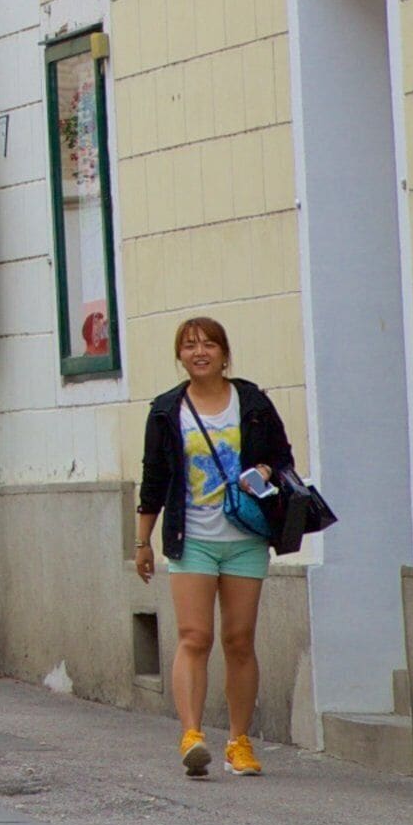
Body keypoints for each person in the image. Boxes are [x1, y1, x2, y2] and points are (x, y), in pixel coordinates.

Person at [135, 315, 298, 779]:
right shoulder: (167, 410)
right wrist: (142, 541)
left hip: (245, 537)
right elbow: (154, 478)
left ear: (225, 354)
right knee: (195, 637)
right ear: (180, 356)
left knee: (239, 640)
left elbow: (283, 458)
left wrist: (264, 471)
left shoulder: (252, 402)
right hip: (193, 539)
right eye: (190, 346)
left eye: (209, 344)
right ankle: (192, 736)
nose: (199, 352)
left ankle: (239, 743)